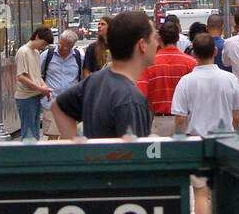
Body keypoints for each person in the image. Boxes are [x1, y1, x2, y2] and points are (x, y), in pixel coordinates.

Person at [171, 33, 239, 214]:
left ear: (193, 54)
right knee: (223, 193)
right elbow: (237, 118)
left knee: (200, 193)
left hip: (197, 142)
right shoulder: (229, 79)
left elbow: (180, 120)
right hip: (224, 142)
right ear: (215, 52)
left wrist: (180, 142)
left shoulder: (186, 82)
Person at [52, 10, 156, 139]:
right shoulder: (131, 100)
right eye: (154, 37)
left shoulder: (94, 81)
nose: (157, 43)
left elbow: (58, 106)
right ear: (142, 45)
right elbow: (135, 155)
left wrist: (78, 151)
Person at [137, 20, 194, 135]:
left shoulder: (148, 65)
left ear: (159, 40)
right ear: (178, 38)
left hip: (159, 122)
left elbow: (140, 96)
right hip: (185, 122)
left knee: (159, 153)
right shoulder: (191, 63)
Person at [41, 30, 84, 138]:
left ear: (71, 46)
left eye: (64, 46)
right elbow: (37, 74)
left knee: (68, 138)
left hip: (71, 105)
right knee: (53, 137)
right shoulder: (47, 55)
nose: (60, 47)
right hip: (51, 103)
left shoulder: (79, 58)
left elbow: (83, 78)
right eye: (59, 43)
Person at [15, 25, 54, 141]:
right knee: (29, 132)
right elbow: (21, 76)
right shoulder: (23, 52)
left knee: (35, 132)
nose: (44, 47)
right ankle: (27, 157)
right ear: (36, 37)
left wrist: (45, 88)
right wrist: (40, 88)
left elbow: (37, 75)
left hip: (35, 95)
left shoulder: (36, 53)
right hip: (26, 96)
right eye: (43, 43)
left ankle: (34, 156)